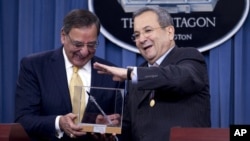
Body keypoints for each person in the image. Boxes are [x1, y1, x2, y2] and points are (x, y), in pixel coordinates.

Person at [93, 6, 211, 141]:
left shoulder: (190, 57)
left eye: (148, 30)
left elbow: (177, 78)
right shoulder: (137, 76)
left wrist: (131, 74)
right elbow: (129, 129)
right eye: (137, 35)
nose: (141, 39)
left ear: (169, 32)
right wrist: (111, 130)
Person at [15, 9, 123, 141]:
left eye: (91, 45)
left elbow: (120, 126)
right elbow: (24, 119)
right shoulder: (34, 66)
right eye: (77, 44)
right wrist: (59, 122)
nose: (84, 52)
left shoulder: (111, 74)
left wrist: (109, 127)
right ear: (63, 36)